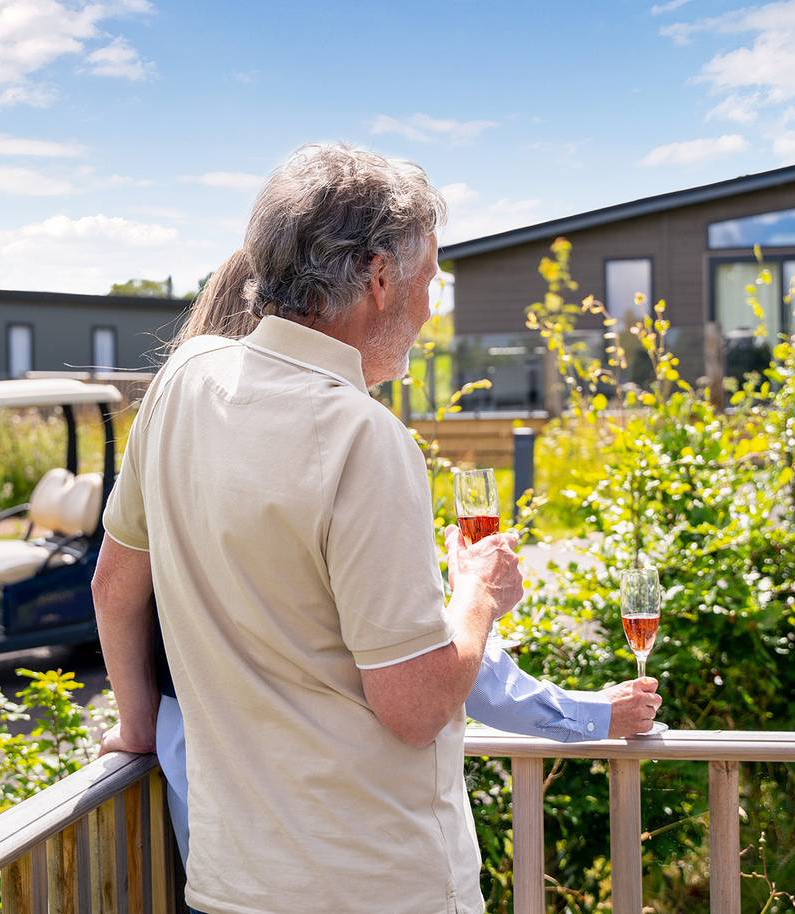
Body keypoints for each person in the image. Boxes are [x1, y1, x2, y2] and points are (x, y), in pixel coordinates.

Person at [92, 144, 661, 914]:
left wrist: (137, 730)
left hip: (229, 884)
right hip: (376, 885)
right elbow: (415, 707)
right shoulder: (363, 437)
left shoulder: (183, 382)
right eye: (430, 281)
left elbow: (114, 586)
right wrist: (478, 594)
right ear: (380, 278)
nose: (429, 310)